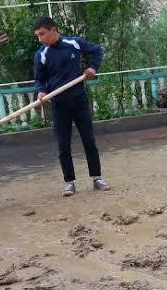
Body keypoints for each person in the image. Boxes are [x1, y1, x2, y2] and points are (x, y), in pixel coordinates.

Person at [32, 16, 110, 196]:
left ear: (53, 30)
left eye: (42, 34)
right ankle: (69, 182)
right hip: (59, 105)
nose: (40, 39)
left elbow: (97, 51)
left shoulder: (73, 43)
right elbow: (39, 79)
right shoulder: (41, 54)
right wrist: (41, 91)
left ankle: (97, 178)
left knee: (89, 141)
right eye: (37, 36)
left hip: (79, 100)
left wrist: (93, 68)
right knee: (63, 145)